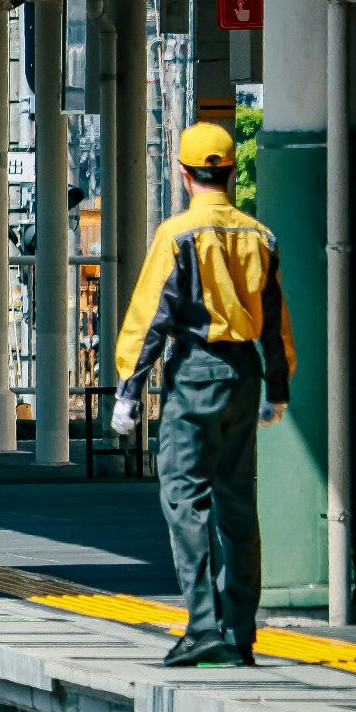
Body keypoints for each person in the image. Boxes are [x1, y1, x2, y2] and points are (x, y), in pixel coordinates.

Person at [112, 121, 294, 668]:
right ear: (230, 173)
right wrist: (278, 387)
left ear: (185, 174)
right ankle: (240, 631)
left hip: (195, 374)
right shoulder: (261, 236)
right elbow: (276, 323)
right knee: (237, 503)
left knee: (184, 497)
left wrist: (128, 389)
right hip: (244, 377)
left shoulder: (178, 235)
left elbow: (151, 317)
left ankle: (203, 625)